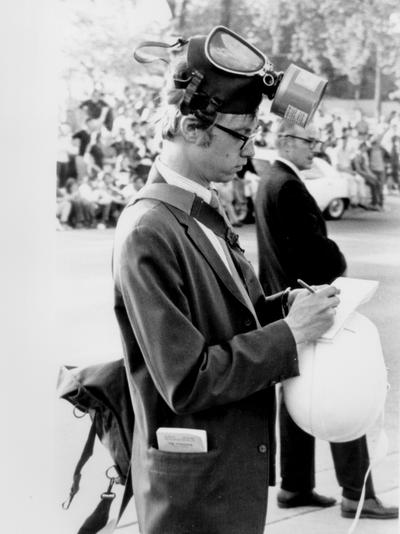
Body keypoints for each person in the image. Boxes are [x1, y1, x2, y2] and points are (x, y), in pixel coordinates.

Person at [112, 28, 340, 534]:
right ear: (194, 128)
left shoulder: (199, 210)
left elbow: (230, 321)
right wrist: (290, 334)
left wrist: (289, 308)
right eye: (243, 133)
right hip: (194, 500)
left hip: (225, 478)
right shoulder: (150, 229)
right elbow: (186, 381)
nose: (251, 148)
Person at [254, 118, 398, 521]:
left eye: (316, 140)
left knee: (299, 391)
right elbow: (317, 252)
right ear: (284, 139)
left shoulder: (270, 180)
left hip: (285, 300)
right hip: (311, 299)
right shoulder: (289, 185)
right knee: (341, 392)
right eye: (307, 141)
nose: (314, 147)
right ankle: (357, 493)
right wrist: (338, 260)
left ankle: (295, 485)